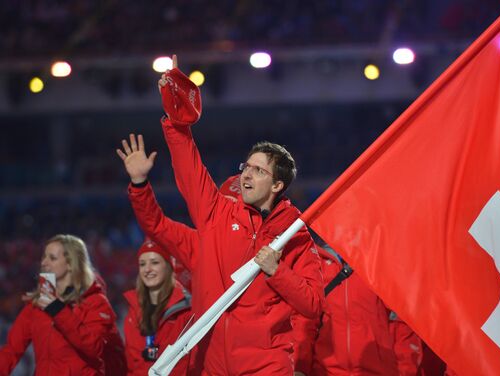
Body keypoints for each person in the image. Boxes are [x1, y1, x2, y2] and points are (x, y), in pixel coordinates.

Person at [118, 54, 324, 375]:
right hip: (209, 362)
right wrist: (175, 120)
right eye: (247, 167)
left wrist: (277, 271)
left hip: (266, 365)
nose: (247, 175)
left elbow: (312, 304)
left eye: (259, 170)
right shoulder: (216, 212)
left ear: (277, 184)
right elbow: (189, 167)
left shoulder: (293, 233)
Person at [0, 234, 122, 375]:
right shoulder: (38, 305)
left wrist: (58, 310)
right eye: (44, 257)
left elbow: (93, 348)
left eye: (52, 258)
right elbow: (11, 350)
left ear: (71, 264)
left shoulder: (95, 302)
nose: (44, 263)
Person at [310, 244, 423, 375]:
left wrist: (405, 371)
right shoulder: (315, 259)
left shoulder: (381, 264)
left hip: (376, 371)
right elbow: (304, 323)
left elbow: (404, 325)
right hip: (324, 371)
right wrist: (300, 368)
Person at [123, 239, 193, 375]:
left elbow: (184, 363)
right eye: (142, 264)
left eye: (155, 262)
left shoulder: (184, 309)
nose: (147, 269)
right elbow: (132, 364)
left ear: (169, 266)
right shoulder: (134, 309)